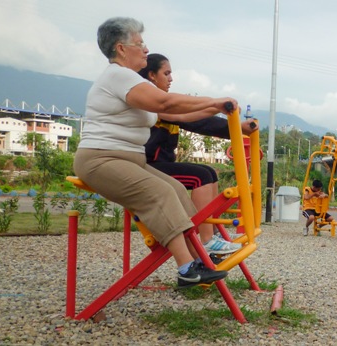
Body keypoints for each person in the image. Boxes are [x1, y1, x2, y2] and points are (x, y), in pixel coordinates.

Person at [74, 17, 234, 289]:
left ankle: (199, 257)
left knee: (174, 189)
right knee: (158, 194)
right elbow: (165, 101)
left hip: (128, 159)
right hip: (101, 159)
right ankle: (187, 269)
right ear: (121, 48)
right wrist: (214, 100)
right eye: (140, 43)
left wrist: (218, 109)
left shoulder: (132, 83)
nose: (146, 50)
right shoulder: (117, 75)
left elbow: (173, 111)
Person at [139, 53, 256, 255]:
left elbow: (192, 118)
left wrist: (235, 124)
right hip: (148, 167)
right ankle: (206, 239)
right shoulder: (151, 102)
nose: (171, 79)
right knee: (199, 177)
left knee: (210, 173)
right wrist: (229, 120)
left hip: (160, 164)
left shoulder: (162, 102)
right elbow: (191, 119)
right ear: (151, 75)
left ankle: (209, 231)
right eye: (166, 73)